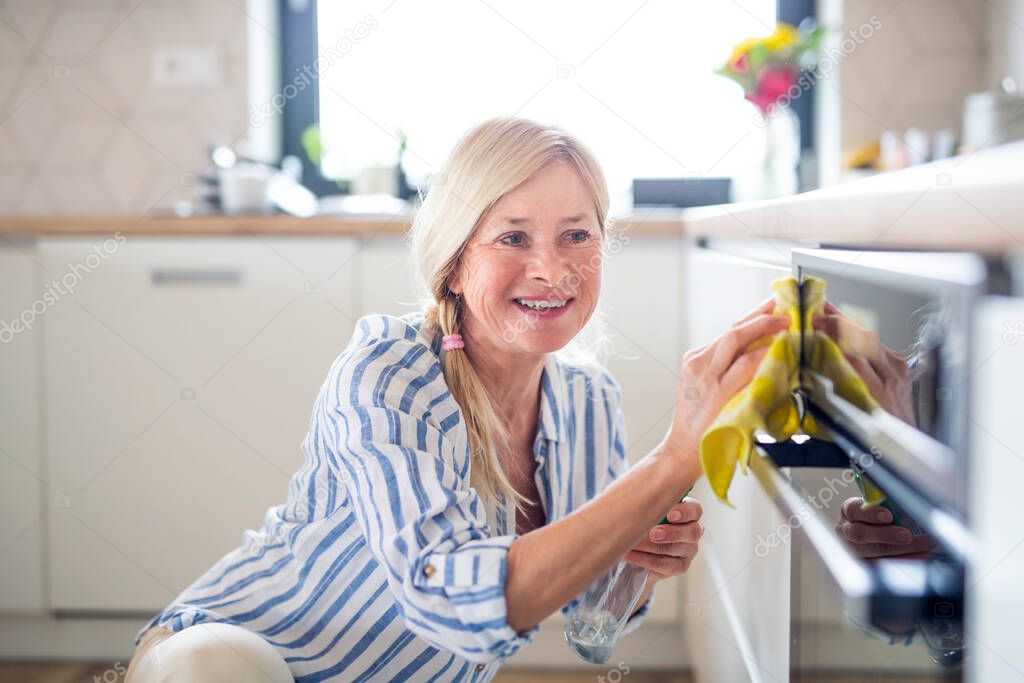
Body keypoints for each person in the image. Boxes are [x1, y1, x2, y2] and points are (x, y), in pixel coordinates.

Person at [125, 117, 785, 682]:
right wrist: (672, 460)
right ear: (453, 262)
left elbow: (591, 627)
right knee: (211, 660)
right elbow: (448, 596)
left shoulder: (585, 401)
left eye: (577, 235)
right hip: (233, 658)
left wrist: (635, 564)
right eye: (512, 236)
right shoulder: (387, 375)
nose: (552, 269)